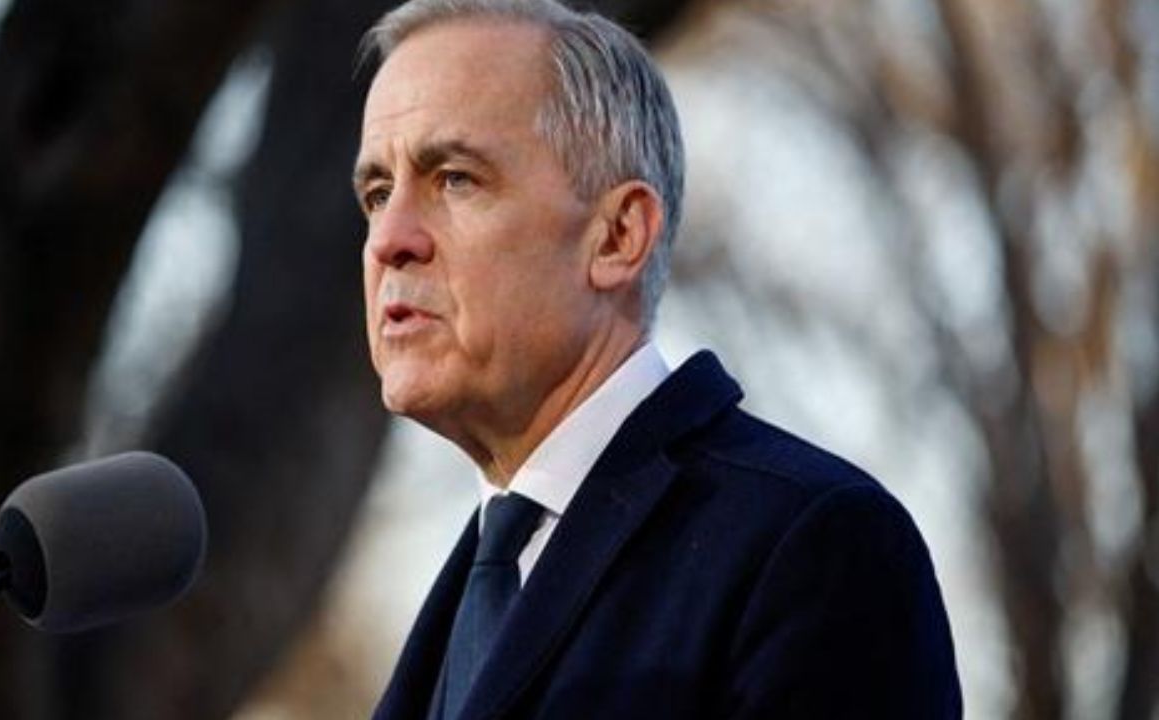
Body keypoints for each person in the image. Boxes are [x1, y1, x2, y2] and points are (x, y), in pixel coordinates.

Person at [352, 0, 962, 717]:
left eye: (455, 178)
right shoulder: (473, 584)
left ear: (617, 237)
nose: (389, 239)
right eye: (378, 193)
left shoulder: (814, 546)